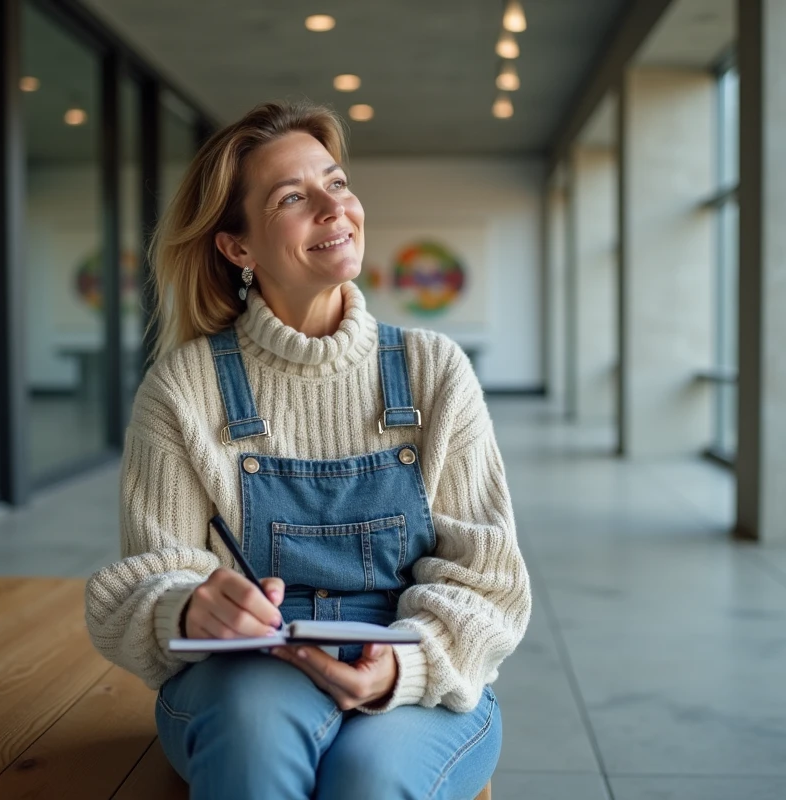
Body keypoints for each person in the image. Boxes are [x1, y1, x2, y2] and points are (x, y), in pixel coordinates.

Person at [85, 100, 531, 800]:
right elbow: (143, 579)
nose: (334, 206)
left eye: (338, 182)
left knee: (371, 778)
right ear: (238, 247)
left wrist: (400, 670)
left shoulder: (434, 370)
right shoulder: (183, 389)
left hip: (416, 663)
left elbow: (490, 580)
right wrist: (188, 603)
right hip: (249, 673)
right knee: (256, 742)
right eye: (294, 197)